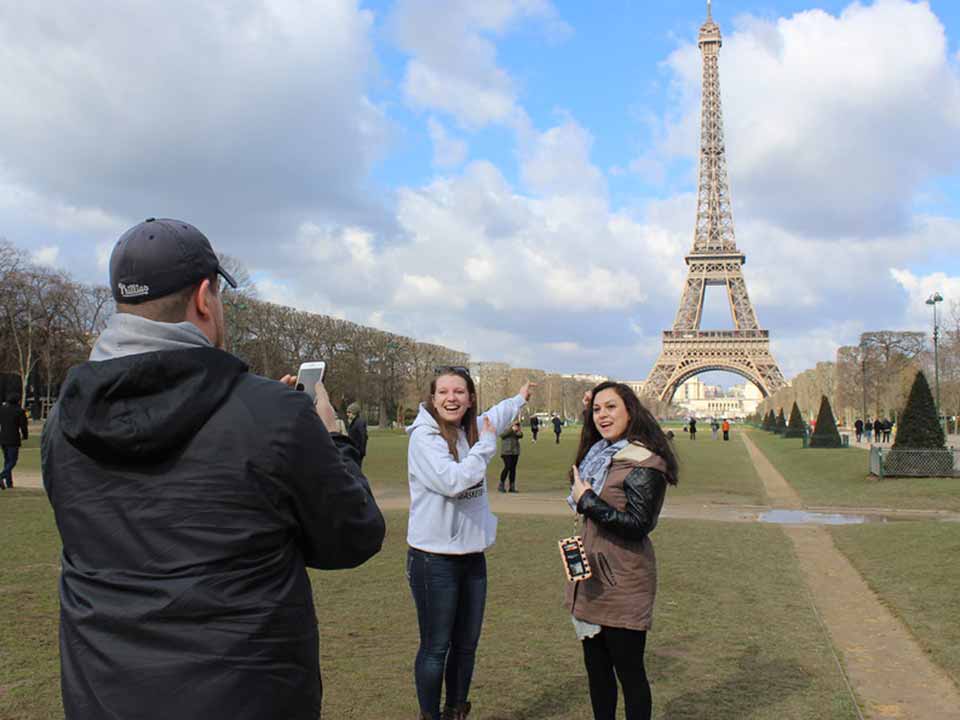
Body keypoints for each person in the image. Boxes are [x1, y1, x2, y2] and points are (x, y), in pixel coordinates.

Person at [41, 218, 386, 720]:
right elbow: (353, 536)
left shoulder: (61, 423)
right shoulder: (270, 414)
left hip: (103, 695)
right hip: (245, 696)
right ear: (205, 298)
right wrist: (331, 438)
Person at [406, 368, 533, 720]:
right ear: (432, 399)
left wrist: (520, 399)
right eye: (444, 392)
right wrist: (486, 448)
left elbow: (497, 415)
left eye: (459, 392)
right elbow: (453, 482)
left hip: (472, 557)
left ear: (470, 397)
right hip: (434, 560)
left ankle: (456, 711)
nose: (451, 398)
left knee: (465, 646)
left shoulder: (471, 428)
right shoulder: (424, 438)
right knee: (436, 648)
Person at [566, 382, 678, 720]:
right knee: (597, 675)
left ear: (631, 410)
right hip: (590, 578)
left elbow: (639, 524)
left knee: (629, 675)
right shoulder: (600, 455)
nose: (603, 415)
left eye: (611, 407)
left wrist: (588, 502)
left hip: (623, 581)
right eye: (597, 409)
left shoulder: (644, 461)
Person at [0, 395, 29, 489]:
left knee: (7, 460)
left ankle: (9, 483)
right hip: (13, 439)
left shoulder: (2, 409)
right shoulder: (20, 411)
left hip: (3, 438)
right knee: (12, 461)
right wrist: (25, 436)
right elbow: (23, 426)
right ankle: (1, 476)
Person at [498, 421, 523, 493]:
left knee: (513, 469)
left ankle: (512, 487)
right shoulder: (503, 425)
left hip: (515, 451)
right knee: (507, 466)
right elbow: (502, 435)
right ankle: (501, 485)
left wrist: (517, 429)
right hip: (506, 451)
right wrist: (511, 429)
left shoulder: (516, 426)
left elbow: (520, 435)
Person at [347, 401, 369, 467]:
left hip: (357, 451)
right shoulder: (354, 422)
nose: (347, 414)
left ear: (354, 413)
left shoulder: (359, 422)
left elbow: (363, 436)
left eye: (349, 412)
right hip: (354, 450)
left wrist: (360, 451)